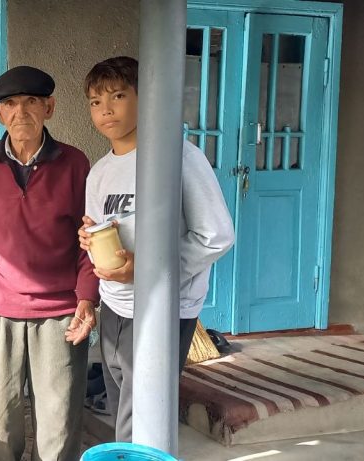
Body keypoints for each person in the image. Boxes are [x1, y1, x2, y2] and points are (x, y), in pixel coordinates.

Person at [78, 56, 235, 442]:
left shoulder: (179, 157)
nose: (106, 110)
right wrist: (90, 239)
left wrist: (145, 269)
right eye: (96, 101)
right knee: (122, 408)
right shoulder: (100, 171)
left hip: (163, 306)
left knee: (144, 414)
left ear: (144, 98)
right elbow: (103, 230)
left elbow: (216, 235)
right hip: (115, 303)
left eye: (118, 95)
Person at [0, 65, 99, 461]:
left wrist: (87, 298)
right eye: (9, 104)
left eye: (31, 102)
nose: (20, 112)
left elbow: (89, 238)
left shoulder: (76, 164)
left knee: (58, 423)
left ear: (50, 108)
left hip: (61, 312)